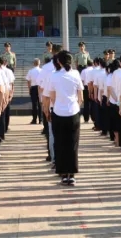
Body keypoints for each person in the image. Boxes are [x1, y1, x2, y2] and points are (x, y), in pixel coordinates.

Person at [46, 50, 83, 186]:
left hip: (58, 113)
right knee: (73, 144)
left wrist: (58, 106)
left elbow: (52, 97)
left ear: (59, 62)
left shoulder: (54, 75)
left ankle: (63, 174)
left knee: (60, 144)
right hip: (73, 112)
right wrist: (76, 106)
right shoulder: (76, 74)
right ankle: (71, 174)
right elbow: (81, 96)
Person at [26, 60, 42, 125]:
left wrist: (29, 89)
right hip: (40, 87)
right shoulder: (41, 71)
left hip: (33, 88)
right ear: (39, 63)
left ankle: (34, 119)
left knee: (34, 104)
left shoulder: (30, 71)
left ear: (33, 63)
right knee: (40, 104)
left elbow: (28, 80)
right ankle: (41, 119)